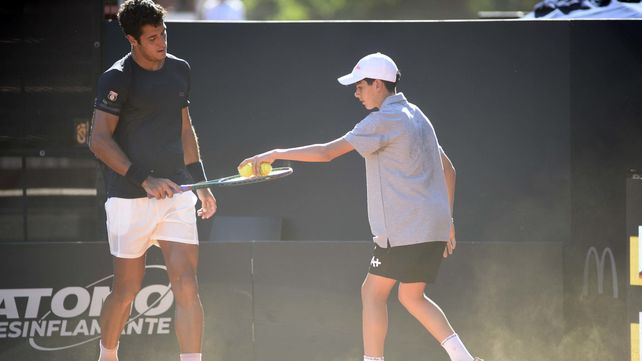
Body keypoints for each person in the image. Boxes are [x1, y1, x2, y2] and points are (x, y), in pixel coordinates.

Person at [239, 53, 482, 361]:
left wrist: (274, 153)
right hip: (433, 226)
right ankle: (464, 358)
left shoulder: (382, 120)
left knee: (372, 293)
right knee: (412, 296)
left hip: (405, 229)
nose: (356, 93)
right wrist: (447, 220)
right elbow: (449, 170)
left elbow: (328, 153)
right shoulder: (418, 115)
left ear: (378, 84)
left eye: (360, 86)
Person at [89, 1, 216, 361]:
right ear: (132, 40)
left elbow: (184, 128)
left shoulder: (179, 70)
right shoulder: (116, 78)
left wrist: (201, 183)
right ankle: (107, 355)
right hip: (129, 197)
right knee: (126, 290)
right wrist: (143, 179)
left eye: (163, 33)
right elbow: (98, 140)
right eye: (151, 38)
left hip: (176, 193)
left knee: (187, 285)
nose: (161, 42)